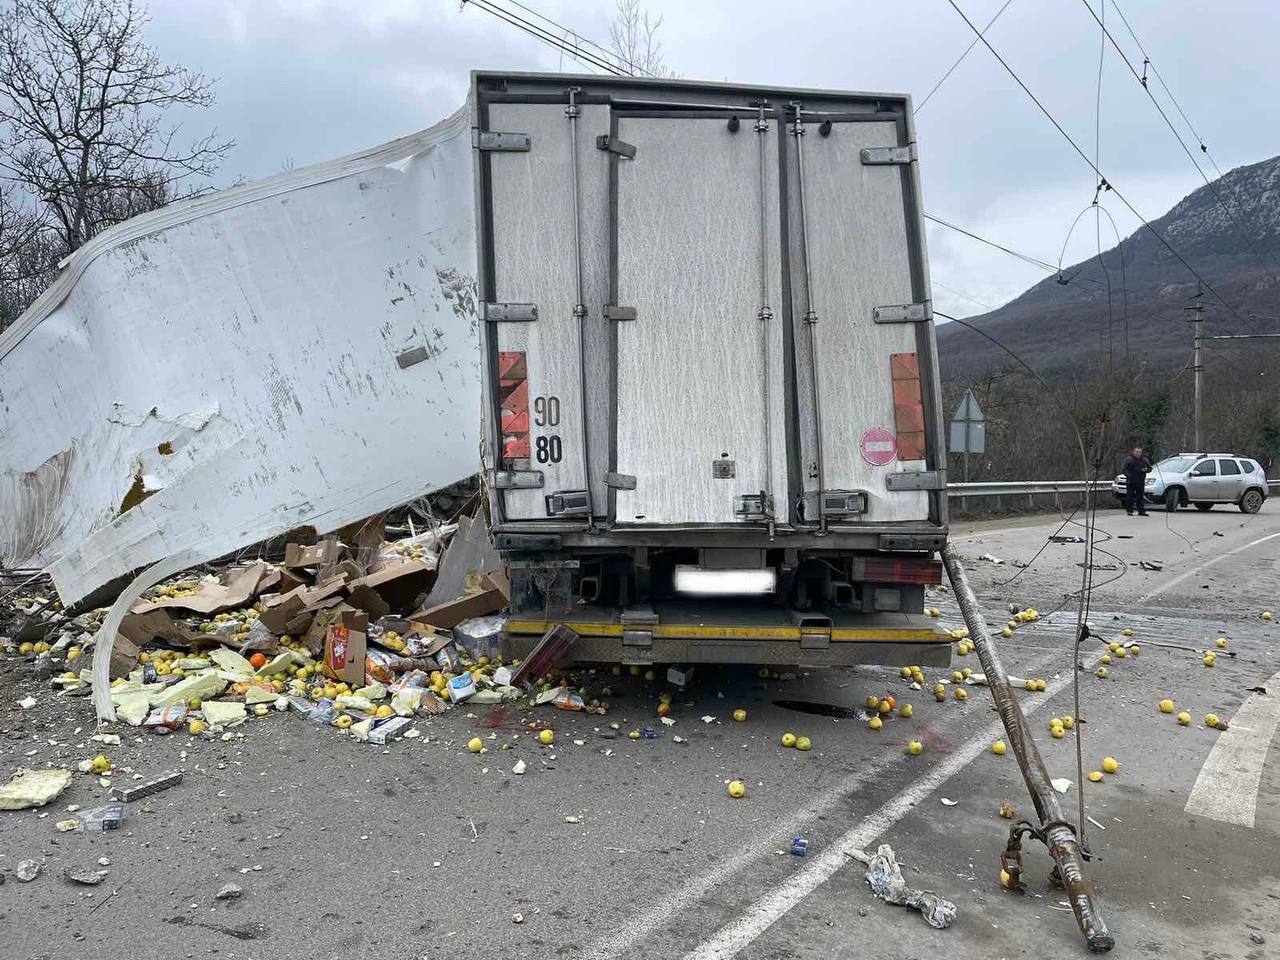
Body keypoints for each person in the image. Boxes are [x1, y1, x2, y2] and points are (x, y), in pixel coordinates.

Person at [1122, 446, 1151, 516]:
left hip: (1140, 481)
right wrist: (1129, 476)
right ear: (1133, 452)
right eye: (1136, 452)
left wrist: (1146, 470)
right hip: (1131, 481)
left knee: (1140, 497)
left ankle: (1141, 511)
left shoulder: (1144, 460)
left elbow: (1150, 468)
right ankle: (1129, 510)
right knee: (1130, 496)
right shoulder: (1129, 459)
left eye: (1139, 452)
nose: (1138, 453)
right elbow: (1124, 470)